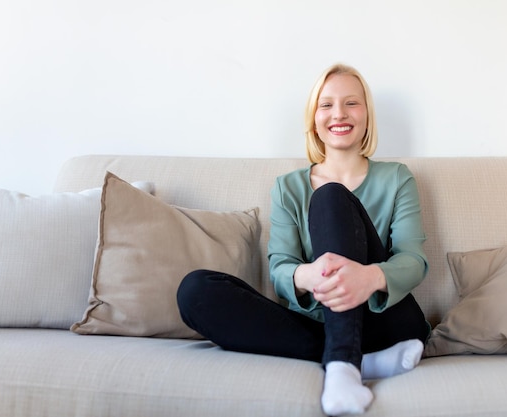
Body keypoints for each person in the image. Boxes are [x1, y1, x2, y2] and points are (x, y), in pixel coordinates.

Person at [177, 63, 430, 416]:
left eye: (351, 103)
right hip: (319, 322)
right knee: (194, 291)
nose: (338, 114)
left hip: (386, 322)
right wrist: (306, 276)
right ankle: (363, 362)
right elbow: (280, 265)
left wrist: (369, 277)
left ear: (368, 115)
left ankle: (342, 365)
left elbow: (413, 260)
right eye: (326, 105)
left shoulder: (397, 178)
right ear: (313, 119)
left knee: (330, 197)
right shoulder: (288, 187)